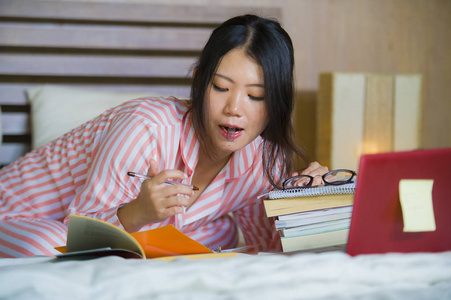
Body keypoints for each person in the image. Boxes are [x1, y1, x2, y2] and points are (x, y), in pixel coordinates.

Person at [0, 14, 328, 258]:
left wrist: (306, 206)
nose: (234, 109)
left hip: (121, 233)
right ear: (200, 82)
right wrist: (140, 210)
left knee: (222, 238)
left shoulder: (260, 158)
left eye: (255, 96)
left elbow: (266, 251)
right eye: (221, 87)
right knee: (50, 249)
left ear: (275, 103)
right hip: (21, 211)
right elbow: (85, 235)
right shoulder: (146, 127)